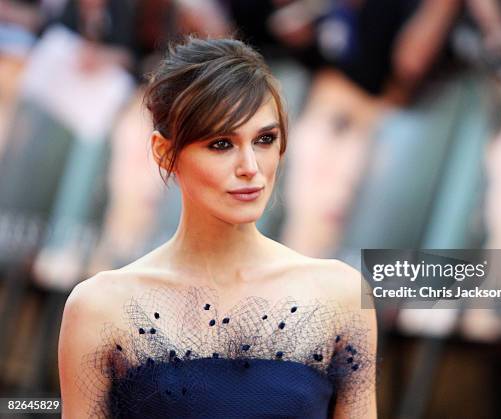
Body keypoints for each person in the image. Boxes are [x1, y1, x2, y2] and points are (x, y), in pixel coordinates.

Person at [57, 37, 377, 418]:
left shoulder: (339, 295)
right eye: (222, 143)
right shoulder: (99, 308)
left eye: (264, 140)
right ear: (164, 153)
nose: (250, 167)